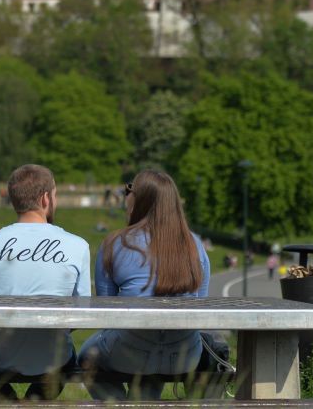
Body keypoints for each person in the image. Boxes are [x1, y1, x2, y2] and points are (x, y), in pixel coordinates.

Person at [78, 170, 215, 401]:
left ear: (140, 199)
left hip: (129, 351)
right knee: (151, 365)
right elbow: (199, 304)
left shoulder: (115, 243)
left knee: (86, 357)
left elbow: (107, 313)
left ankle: (117, 405)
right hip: (184, 354)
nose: (125, 195)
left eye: (128, 190)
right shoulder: (195, 244)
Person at [0, 164, 91, 401]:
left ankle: (12, 405)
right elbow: (81, 313)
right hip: (52, 359)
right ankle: (32, 405)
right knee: (65, 358)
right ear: (46, 198)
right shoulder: (79, 245)